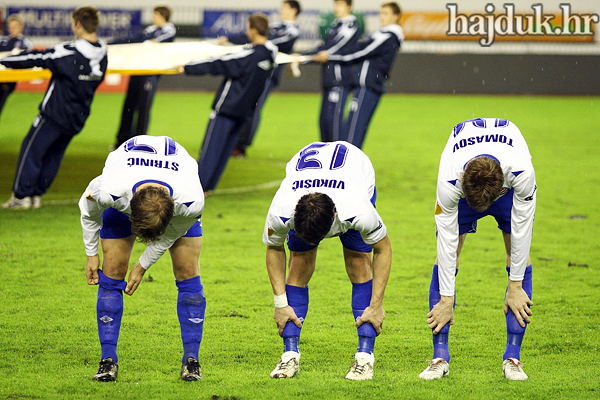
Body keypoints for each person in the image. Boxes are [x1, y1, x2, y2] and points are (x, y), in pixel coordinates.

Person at [79, 135, 206, 382]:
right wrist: (91, 252)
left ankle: (192, 361)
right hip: (128, 181)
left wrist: (142, 264)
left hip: (174, 189)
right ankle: (107, 360)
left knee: (188, 270)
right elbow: (87, 209)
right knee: (113, 269)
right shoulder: (110, 191)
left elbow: (170, 235)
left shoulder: (191, 202)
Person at [263, 141, 392, 380]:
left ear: (335, 219)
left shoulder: (358, 210)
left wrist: (376, 305)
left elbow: (383, 249)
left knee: (359, 262)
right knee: (299, 263)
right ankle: (289, 355)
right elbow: (273, 248)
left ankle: (365, 358)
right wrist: (280, 303)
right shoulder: (281, 210)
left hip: (355, 169)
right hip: (310, 175)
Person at [420, 118, 536, 381]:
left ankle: (513, 357)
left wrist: (515, 286)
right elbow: (447, 245)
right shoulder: (450, 180)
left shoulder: (521, 173)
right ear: (461, 179)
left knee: (517, 254)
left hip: (506, 191)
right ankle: (440, 356)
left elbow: (522, 230)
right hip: (465, 190)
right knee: (447, 256)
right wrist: (447, 300)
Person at [0, 6, 107, 210]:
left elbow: (33, 58)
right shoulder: (102, 52)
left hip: (54, 114)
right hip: (78, 115)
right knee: (54, 156)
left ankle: (21, 197)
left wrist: (3, 60)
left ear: (77, 24)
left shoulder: (68, 52)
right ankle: (36, 196)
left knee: (31, 150)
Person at [182, 13, 277, 193]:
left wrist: (187, 67)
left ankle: (199, 189)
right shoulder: (270, 54)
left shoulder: (248, 55)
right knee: (224, 152)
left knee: (211, 150)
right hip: (245, 112)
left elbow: (217, 63)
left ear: (254, 30)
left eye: (248, 28)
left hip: (227, 108)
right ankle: (209, 187)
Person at [217, 1, 301, 158]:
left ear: (294, 10)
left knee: (254, 108)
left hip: (268, 74)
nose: (281, 10)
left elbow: (265, 41)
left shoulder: (292, 31)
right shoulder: (276, 27)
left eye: (284, 7)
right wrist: (229, 39)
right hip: (255, 70)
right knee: (245, 105)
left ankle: (240, 146)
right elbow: (253, 37)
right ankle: (234, 142)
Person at [314, 2, 403, 149]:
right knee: (349, 134)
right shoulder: (381, 34)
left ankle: (346, 169)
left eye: (386, 13)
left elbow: (361, 52)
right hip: (363, 87)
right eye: (381, 13)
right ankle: (343, 168)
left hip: (368, 87)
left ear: (396, 16)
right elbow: (359, 48)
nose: (382, 17)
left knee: (352, 137)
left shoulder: (389, 36)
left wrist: (331, 56)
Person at [109, 5, 176, 149]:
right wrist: (111, 44)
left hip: (150, 73)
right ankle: (122, 141)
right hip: (138, 70)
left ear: (161, 16)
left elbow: (156, 42)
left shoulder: (169, 30)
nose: (152, 18)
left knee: (143, 108)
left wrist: (147, 43)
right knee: (128, 106)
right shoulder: (151, 30)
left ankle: (139, 142)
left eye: (155, 15)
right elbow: (134, 39)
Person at [303, 0, 360, 143]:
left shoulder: (351, 25)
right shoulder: (336, 25)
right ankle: (327, 159)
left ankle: (340, 160)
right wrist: (304, 57)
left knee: (333, 123)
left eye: (340, 5)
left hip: (339, 80)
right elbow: (324, 47)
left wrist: (306, 58)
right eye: (336, 4)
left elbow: (330, 49)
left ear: (349, 7)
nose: (337, 8)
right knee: (324, 122)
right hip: (329, 80)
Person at [0, 15, 33, 119]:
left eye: (15, 26)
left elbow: (23, 56)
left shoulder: (24, 42)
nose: (12, 29)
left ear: (21, 27)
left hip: (8, 78)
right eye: (10, 26)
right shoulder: (3, 40)